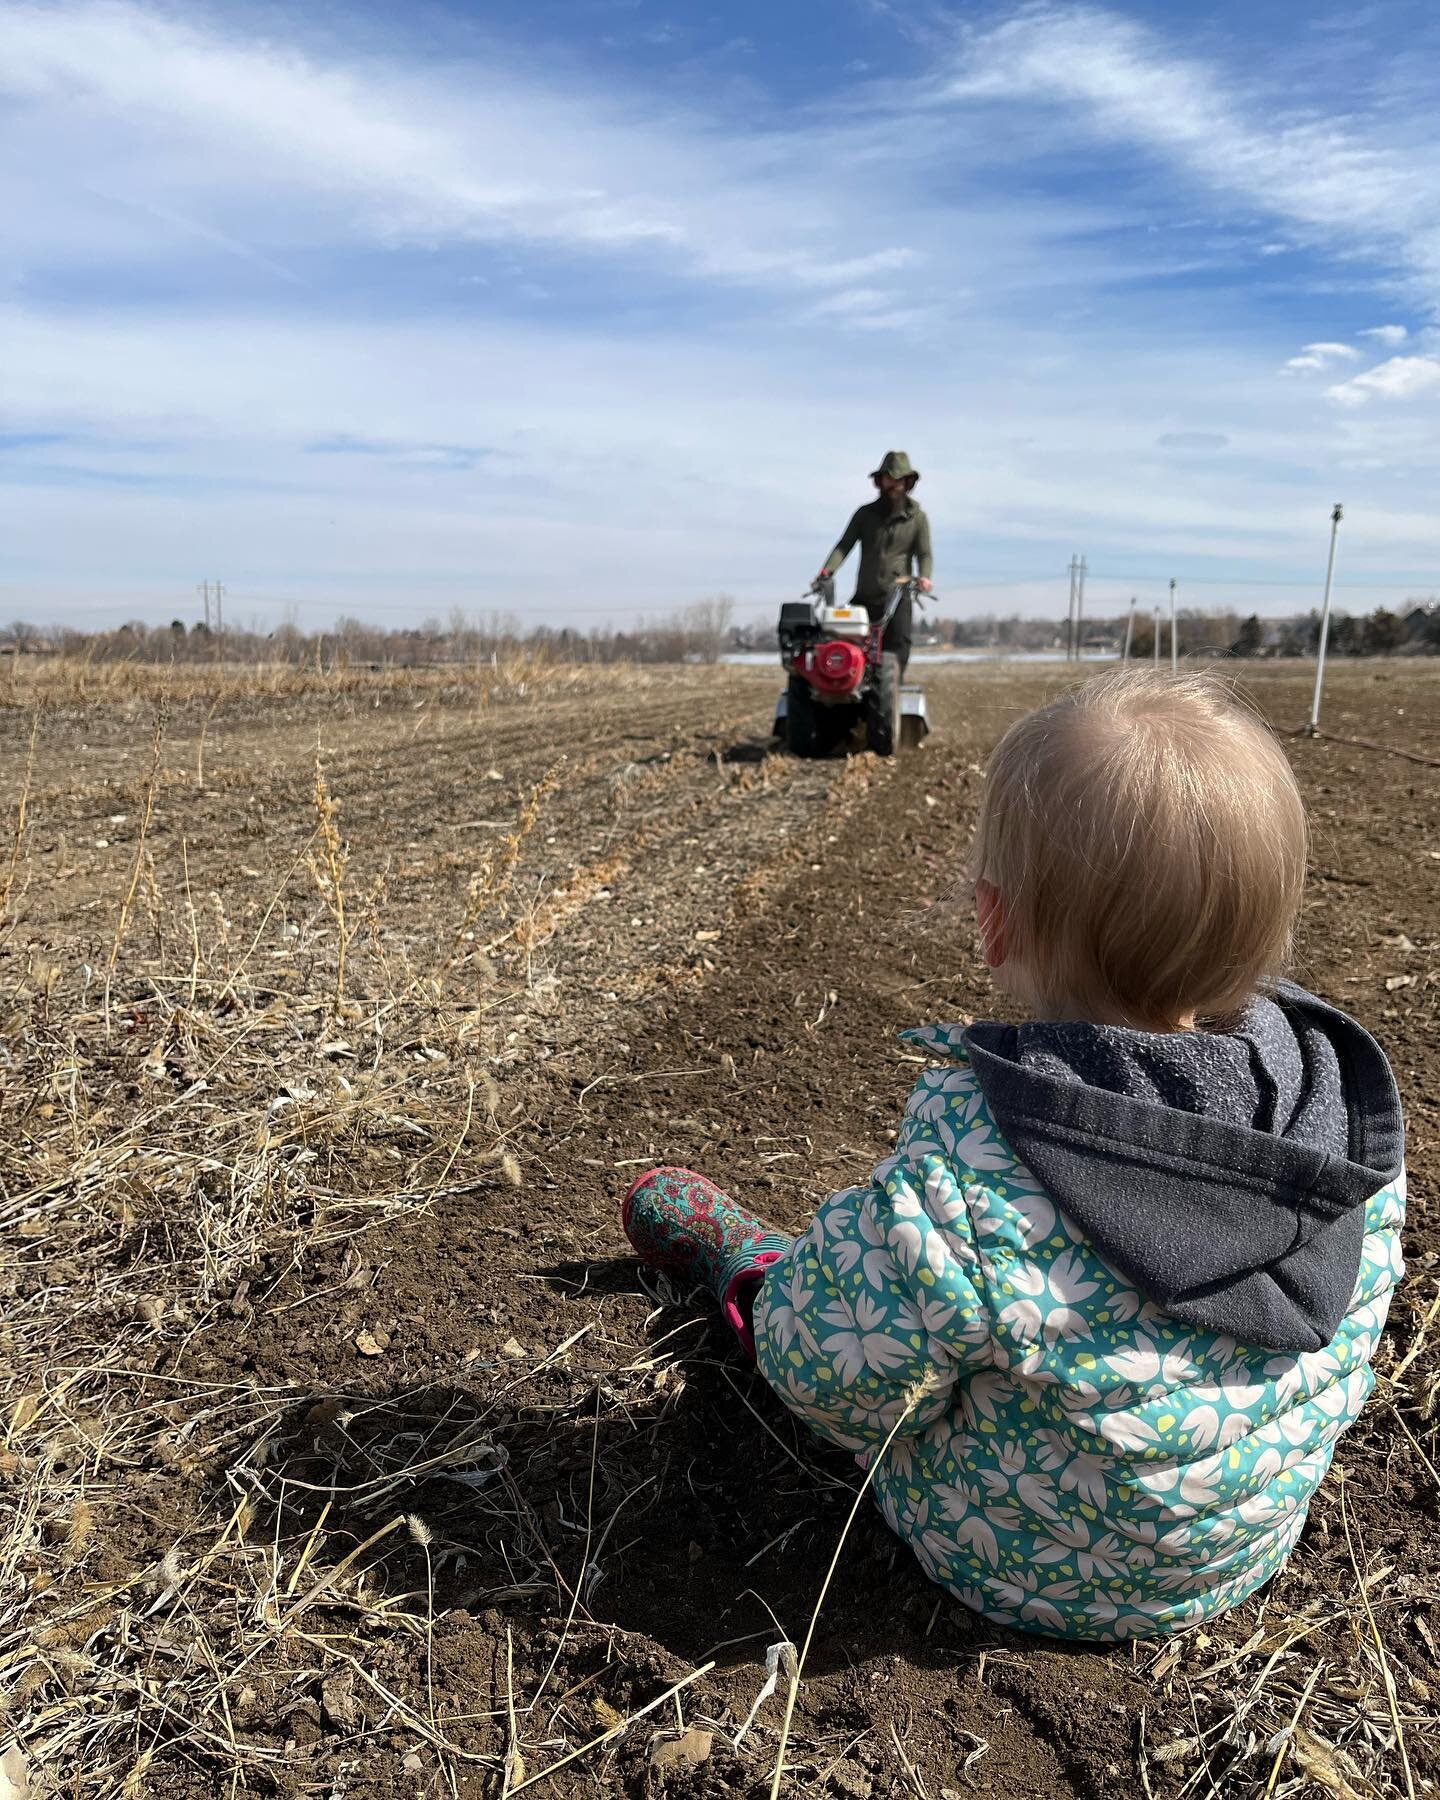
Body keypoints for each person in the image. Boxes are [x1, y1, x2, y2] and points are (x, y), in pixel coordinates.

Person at [621, 671, 1405, 1641]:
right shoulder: (1341, 1121)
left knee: (836, 1303)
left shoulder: (969, 1181)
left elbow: (824, 1374)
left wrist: (813, 1304)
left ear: (994, 921)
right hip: (1238, 1553)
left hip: (1019, 1565)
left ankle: (747, 1265)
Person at [817, 451, 933, 674]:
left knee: (898, 647)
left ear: (908, 483)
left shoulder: (917, 518)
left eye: (899, 480)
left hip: (898, 596)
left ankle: (890, 697)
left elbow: (924, 553)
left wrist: (925, 577)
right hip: (865, 595)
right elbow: (844, 545)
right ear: (880, 481)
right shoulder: (865, 515)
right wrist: (827, 570)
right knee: (849, 644)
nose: (894, 485)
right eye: (889, 479)